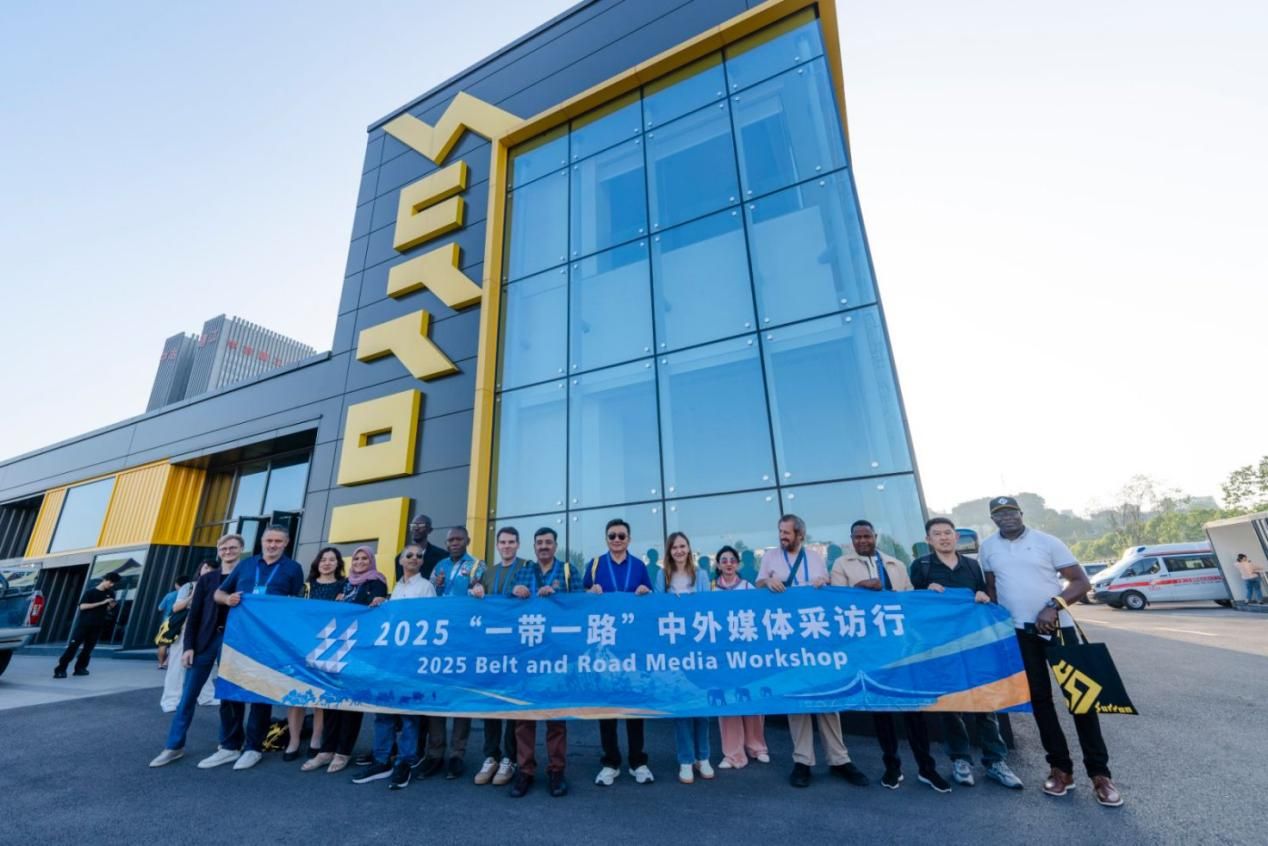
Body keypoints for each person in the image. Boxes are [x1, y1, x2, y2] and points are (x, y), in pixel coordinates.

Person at [979, 496, 1123, 807]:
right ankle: (1061, 771)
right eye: (999, 514)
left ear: (1020, 513)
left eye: (1011, 512)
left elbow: (1081, 582)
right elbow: (992, 589)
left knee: (1081, 701)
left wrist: (1052, 607)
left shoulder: (1047, 541)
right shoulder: (988, 548)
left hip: (1059, 629)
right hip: (1020, 634)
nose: (1006, 517)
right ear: (993, 519)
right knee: (1041, 702)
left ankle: (1100, 775)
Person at [833, 520, 951, 794]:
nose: (862, 541)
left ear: (875, 537)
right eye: (857, 537)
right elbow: (837, 602)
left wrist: (928, 595)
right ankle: (892, 767)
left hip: (901, 647)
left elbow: (909, 602)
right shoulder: (842, 564)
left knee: (913, 710)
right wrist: (860, 587)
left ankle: (927, 768)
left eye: (867, 536)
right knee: (881, 711)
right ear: (851, 540)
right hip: (869, 648)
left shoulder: (895, 564)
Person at [911, 517, 1023, 789]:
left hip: (975, 645)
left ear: (955, 536)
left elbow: (984, 594)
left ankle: (995, 761)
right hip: (941, 648)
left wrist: (982, 596)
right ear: (928, 540)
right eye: (937, 534)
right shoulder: (921, 567)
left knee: (985, 703)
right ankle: (960, 760)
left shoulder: (972, 566)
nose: (943, 537)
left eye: (947, 533)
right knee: (950, 705)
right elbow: (913, 606)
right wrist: (926, 592)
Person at [758, 514, 869, 789]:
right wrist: (767, 583)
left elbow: (827, 587)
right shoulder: (770, 557)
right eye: (780, 531)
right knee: (797, 698)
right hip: (787, 638)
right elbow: (758, 586)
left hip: (816, 637)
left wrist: (823, 583)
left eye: (787, 532)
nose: (782, 536)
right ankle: (803, 760)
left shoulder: (815, 557)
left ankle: (839, 759)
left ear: (800, 534)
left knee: (827, 696)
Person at [212, 524, 305, 771]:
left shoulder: (293, 568)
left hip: (267, 642)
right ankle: (229, 746)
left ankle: (253, 748)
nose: (273, 545)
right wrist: (228, 599)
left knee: (260, 693)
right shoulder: (246, 564)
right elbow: (218, 594)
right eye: (269, 541)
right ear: (262, 541)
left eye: (278, 541)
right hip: (238, 639)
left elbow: (296, 604)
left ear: (286, 543)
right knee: (230, 692)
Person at [150, 535, 245, 768]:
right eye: (224, 548)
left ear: (241, 549)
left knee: (230, 697)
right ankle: (174, 746)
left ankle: (230, 745)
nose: (228, 551)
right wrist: (189, 646)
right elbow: (194, 615)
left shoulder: (246, 577)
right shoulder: (207, 579)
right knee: (188, 696)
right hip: (205, 641)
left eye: (233, 547)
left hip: (233, 643)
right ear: (218, 551)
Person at [350, 542, 436, 790]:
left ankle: (405, 761)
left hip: (411, 659)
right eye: (409, 555)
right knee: (384, 710)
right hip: (389, 659)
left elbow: (430, 621)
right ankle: (381, 759)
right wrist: (381, 606)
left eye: (419, 556)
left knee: (408, 714)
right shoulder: (396, 588)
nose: (414, 558)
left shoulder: (426, 586)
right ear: (401, 560)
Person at [508, 527, 583, 798]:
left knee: (556, 716)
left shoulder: (568, 571)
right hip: (528, 654)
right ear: (534, 546)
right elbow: (508, 605)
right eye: (539, 542)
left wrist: (559, 598)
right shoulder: (524, 572)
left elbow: (581, 605)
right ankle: (525, 770)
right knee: (524, 717)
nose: (543, 546)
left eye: (548, 542)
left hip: (557, 654)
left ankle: (556, 770)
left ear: (555, 545)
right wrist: (514, 591)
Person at [584, 518, 655, 786]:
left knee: (634, 705)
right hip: (605, 646)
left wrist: (645, 591)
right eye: (612, 535)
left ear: (629, 539)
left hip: (632, 646)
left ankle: (638, 761)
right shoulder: (595, 565)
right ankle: (610, 762)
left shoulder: (638, 566)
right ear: (606, 539)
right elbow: (581, 597)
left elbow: (651, 598)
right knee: (607, 707)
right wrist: (590, 591)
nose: (616, 540)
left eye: (621, 536)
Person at [420, 526, 486, 779]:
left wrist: (479, 591)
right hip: (439, 641)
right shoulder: (439, 566)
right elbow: (430, 598)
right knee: (436, 695)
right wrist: (435, 587)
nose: (454, 543)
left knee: (461, 697)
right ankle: (435, 753)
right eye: (450, 540)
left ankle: (458, 754)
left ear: (467, 540)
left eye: (458, 539)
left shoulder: (478, 565)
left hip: (465, 639)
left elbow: (482, 596)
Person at [469, 526, 528, 787]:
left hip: (516, 645)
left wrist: (526, 591)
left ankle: (509, 758)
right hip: (491, 646)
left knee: (512, 702)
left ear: (518, 544)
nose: (506, 546)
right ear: (497, 545)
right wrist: (475, 592)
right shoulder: (488, 572)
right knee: (490, 702)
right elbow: (475, 598)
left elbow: (537, 595)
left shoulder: (527, 568)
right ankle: (491, 756)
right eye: (503, 542)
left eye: (511, 542)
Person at [323, 546, 388, 773]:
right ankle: (326, 749)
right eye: (357, 558)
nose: (360, 562)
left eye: (364, 559)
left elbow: (375, 612)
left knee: (350, 702)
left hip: (359, 650)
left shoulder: (377, 582)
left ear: (371, 561)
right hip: (336, 648)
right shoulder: (345, 583)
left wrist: (376, 603)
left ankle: (343, 752)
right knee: (331, 699)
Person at [655, 531, 713, 785]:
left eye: (682, 546)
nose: (679, 550)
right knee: (682, 706)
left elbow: (707, 608)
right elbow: (658, 607)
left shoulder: (701, 574)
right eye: (674, 547)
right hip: (675, 649)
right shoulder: (663, 575)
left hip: (699, 647)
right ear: (669, 551)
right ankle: (686, 759)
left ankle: (704, 757)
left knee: (702, 705)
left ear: (689, 548)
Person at [711, 545, 768, 769]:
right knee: (727, 700)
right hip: (723, 654)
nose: (728, 564)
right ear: (718, 565)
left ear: (738, 564)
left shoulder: (748, 587)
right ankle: (733, 753)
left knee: (751, 697)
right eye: (724, 560)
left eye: (732, 560)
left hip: (746, 652)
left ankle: (757, 746)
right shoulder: (711, 589)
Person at [292, 547, 347, 769]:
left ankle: (316, 739)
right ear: (317, 563)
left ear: (338, 564)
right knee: (297, 694)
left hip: (328, 646)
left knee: (320, 696)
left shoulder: (344, 586)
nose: (327, 563)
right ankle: (293, 741)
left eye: (332, 560)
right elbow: (295, 612)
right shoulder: (306, 587)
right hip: (303, 643)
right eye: (323, 559)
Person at [160, 562, 217, 713]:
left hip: (206, 629)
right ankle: (171, 700)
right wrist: (193, 595)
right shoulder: (189, 586)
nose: (208, 571)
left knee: (204, 663)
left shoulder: (217, 587)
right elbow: (176, 607)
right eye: (206, 568)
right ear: (200, 569)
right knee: (177, 665)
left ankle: (206, 696)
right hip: (186, 628)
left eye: (212, 569)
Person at [53, 571, 120, 678]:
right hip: (84, 624)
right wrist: (102, 602)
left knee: (88, 649)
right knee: (73, 646)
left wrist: (110, 606)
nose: (112, 585)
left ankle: (80, 668)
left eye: (114, 583)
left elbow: (106, 609)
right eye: (110, 582)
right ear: (105, 580)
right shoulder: (90, 592)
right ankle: (60, 669)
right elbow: (82, 606)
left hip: (98, 625)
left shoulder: (111, 593)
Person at [154, 575, 191, 669]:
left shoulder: (170, 595)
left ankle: (160, 663)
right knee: (176, 644)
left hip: (168, 621)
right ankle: (167, 662)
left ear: (176, 584)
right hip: (181, 621)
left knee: (163, 643)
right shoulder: (188, 595)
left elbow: (160, 608)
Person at [409, 512, 448, 580]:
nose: (416, 528)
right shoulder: (400, 558)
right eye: (413, 525)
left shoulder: (442, 556)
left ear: (430, 530)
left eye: (421, 525)